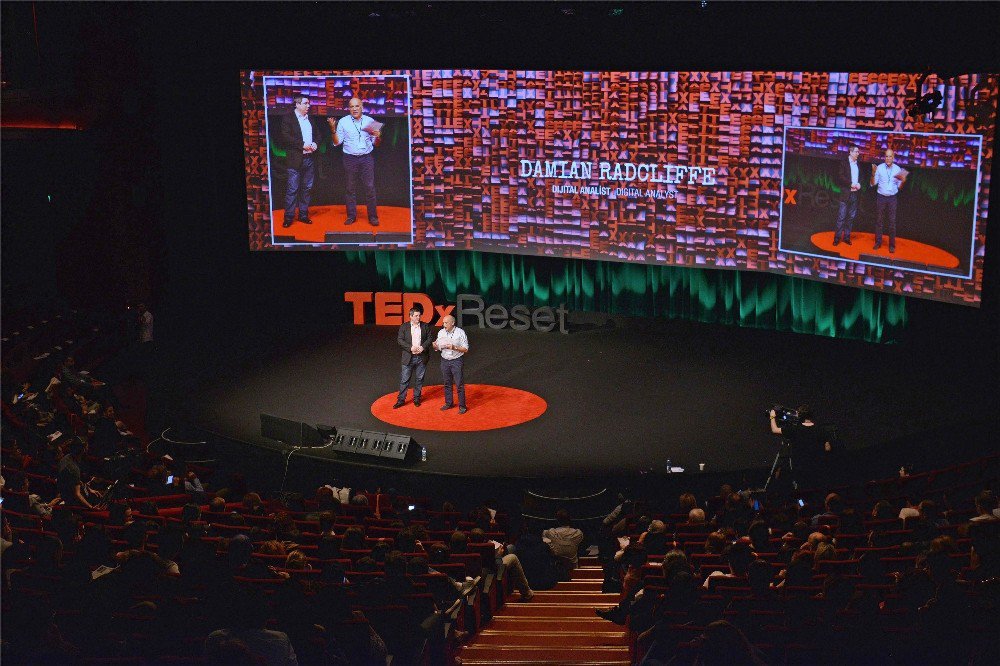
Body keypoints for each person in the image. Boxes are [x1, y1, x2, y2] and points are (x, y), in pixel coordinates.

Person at [330, 97, 382, 226]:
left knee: (370, 188)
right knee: (350, 188)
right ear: (349, 108)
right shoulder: (343, 122)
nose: (354, 109)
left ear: (362, 107)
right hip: (350, 159)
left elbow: (377, 144)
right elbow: (337, 143)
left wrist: (378, 136)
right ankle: (351, 216)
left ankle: (373, 217)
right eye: (351, 106)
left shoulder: (371, 121)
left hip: (366, 158)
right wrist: (333, 129)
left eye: (357, 106)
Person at [276, 93, 324, 229]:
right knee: (292, 189)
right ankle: (289, 217)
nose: (308, 106)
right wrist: (301, 144)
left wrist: (315, 143)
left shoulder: (310, 119)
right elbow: (285, 137)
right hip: (295, 160)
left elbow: (318, 135)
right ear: (297, 104)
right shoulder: (288, 119)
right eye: (305, 103)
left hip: (309, 159)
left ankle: (303, 215)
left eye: (309, 103)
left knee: (307, 189)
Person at [869, 148, 908, 252]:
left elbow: (900, 187)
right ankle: (878, 242)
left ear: (893, 158)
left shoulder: (898, 169)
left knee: (892, 222)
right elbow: (873, 183)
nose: (888, 158)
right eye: (886, 156)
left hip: (892, 198)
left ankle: (892, 245)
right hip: (881, 197)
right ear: (884, 157)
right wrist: (873, 173)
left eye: (890, 156)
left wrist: (903, 181)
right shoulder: (880, 168)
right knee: (879, 221)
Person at [394, 308, 433, 408]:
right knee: (404, 380)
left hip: (421, 357)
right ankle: (401, 400)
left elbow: (430, 338)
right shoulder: (404, 326)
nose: (418, 317)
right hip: (409, 357)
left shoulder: (425, 326)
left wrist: (422, 347)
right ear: (410, 316)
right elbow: (400, 340)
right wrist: (410, 347)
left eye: (419, 315)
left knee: (419, 379)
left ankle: (417, 398)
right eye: (416, 316)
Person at [432, 314, 469, 413]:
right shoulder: (441, 332)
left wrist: (454, 347)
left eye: (446, 323)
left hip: (456, 360)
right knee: (447, 383)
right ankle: (449, 403)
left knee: (459, 384)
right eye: (443, 322)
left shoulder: (460, 333)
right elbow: (437, 347)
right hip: (444, 360)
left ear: (453, 323)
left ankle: (462, 406)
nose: (444, 325)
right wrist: (435, 346)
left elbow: (465, 349)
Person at [833, 145, 863, 246]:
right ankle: (837, 239)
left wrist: (859, 183)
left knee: (851, 217)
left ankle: (846, 237)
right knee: (841, 217)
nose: (858, 154)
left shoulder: (858, 164)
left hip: (855, 194)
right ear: (850, 152)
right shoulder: (844, 163)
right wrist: (850, 184)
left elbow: (860, 177)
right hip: (846, 194)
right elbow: (840, 176)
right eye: (856, 152)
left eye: (858, 152)